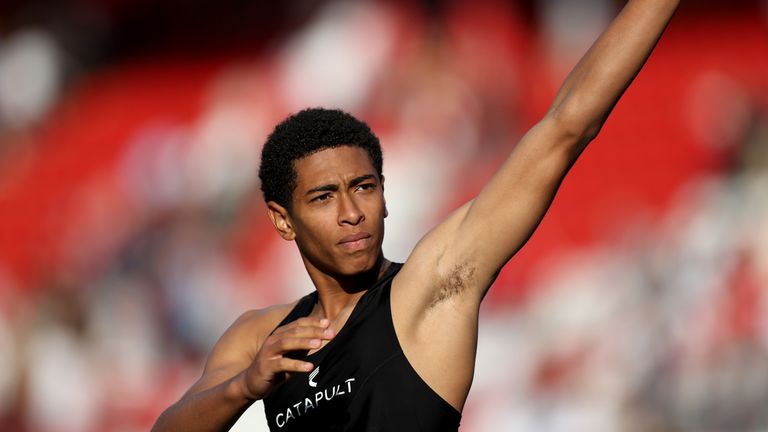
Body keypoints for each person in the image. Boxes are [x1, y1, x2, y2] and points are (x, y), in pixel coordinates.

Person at [152, 0, 680, 430]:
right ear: (282, 220)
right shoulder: (259, 337)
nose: (351, 212)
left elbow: (566, 128)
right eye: (322, 197)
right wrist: (245, 387)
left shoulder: (433, 288)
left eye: (364, 188)